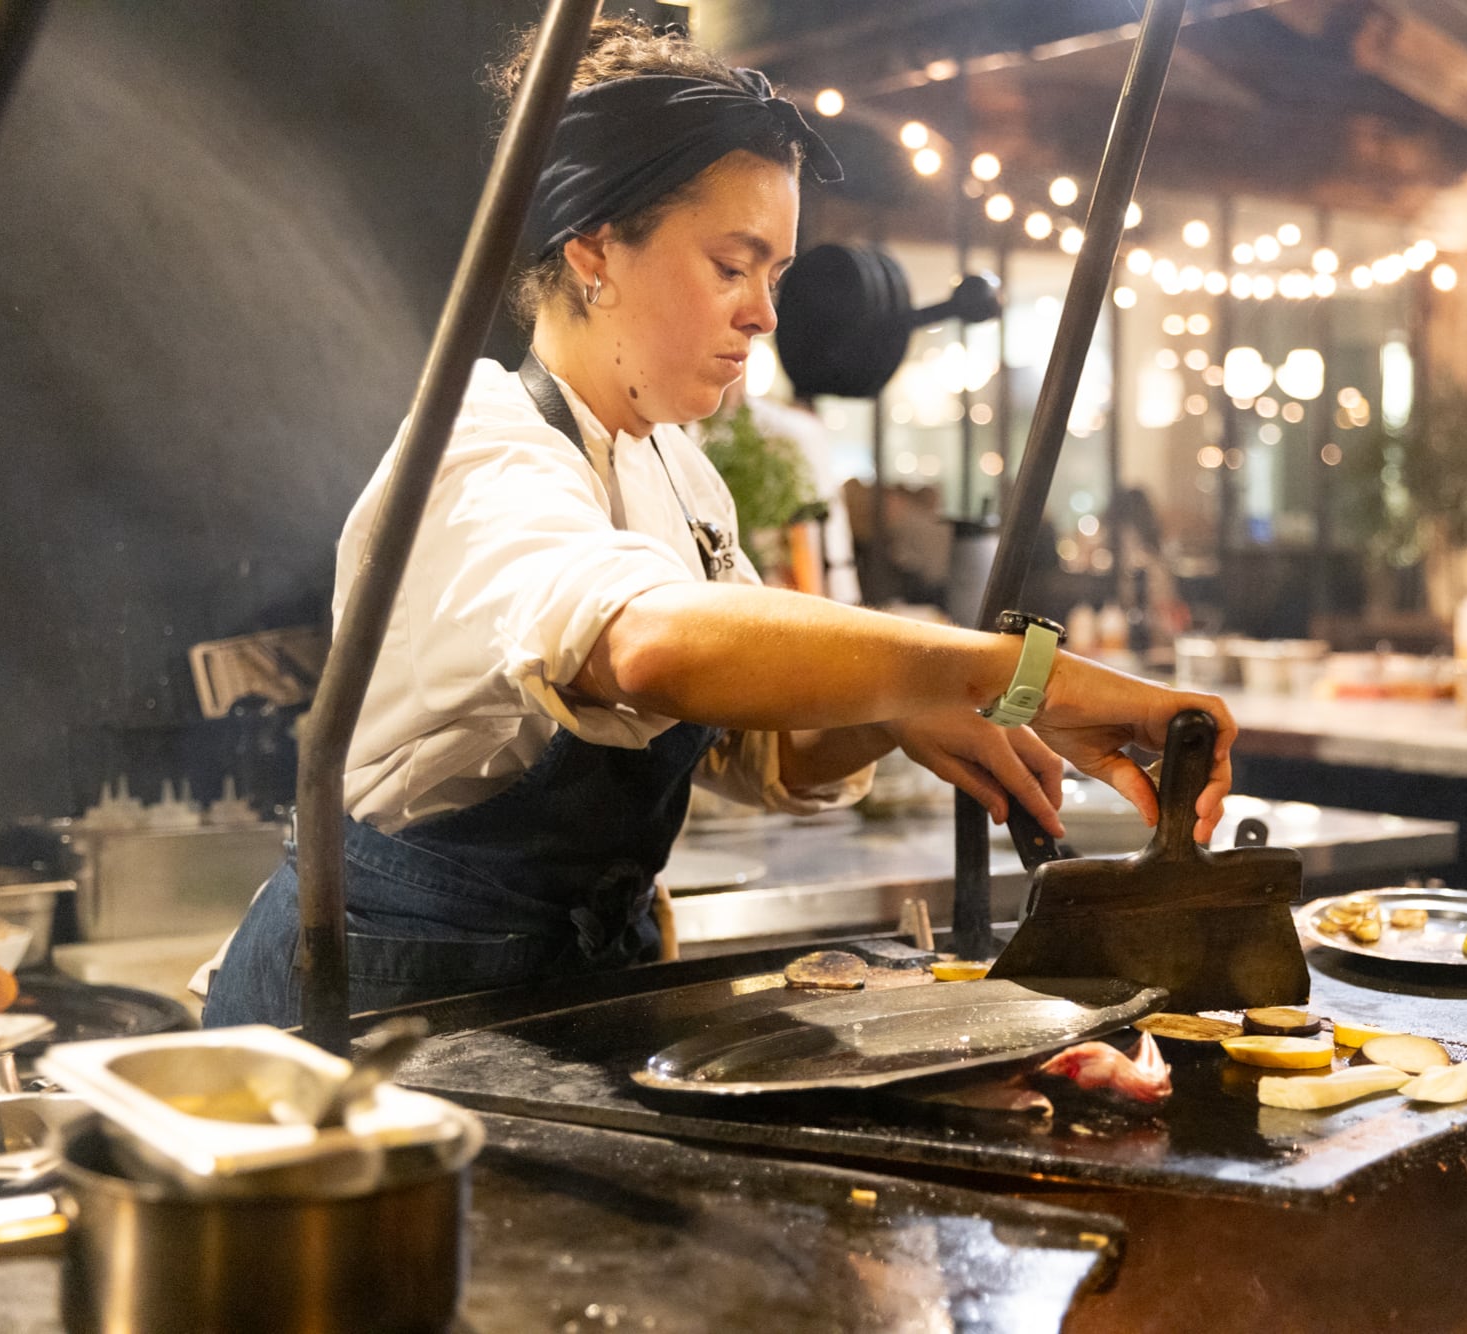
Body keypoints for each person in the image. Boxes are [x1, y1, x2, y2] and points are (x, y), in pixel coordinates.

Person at [200, 19, 1236, 1027]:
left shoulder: (679, 473)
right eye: (731, 265)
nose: (763, 314)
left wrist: (894, 709)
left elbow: (760, 743)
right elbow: (644, 646)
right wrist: (1010, 670)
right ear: (595, 246)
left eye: (773, 275)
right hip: (386, 1001)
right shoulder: (475, 449)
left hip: (559, 992)